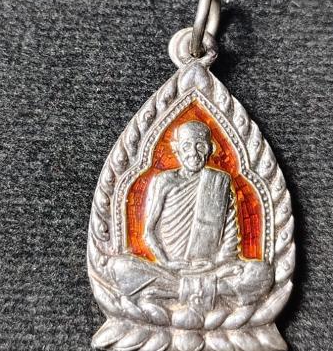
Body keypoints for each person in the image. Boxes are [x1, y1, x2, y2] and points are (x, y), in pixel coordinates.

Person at [106, 121, 273, 310]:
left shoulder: (219, 181)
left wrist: (217, 265)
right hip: (169, 270)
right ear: (176, 149)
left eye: (200, 146)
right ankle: (206, 292)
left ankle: (172, 293)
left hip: (211, 270)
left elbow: (230, 239)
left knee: (263, 272)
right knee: (119, 266)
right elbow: (149, 232)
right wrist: (167, 262)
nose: (193, 153)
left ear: (210, 149)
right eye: (186, 146)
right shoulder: (164, 181)